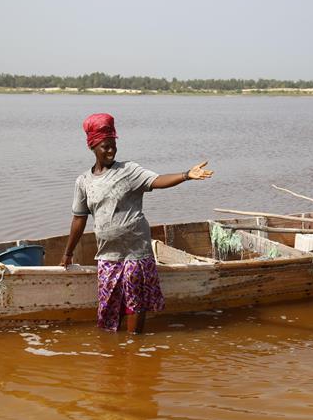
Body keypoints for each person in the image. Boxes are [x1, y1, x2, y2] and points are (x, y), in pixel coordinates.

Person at [60, 113, 213, 334]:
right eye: (105, 147)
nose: (111, 151)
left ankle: (135, 343)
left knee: (135, 303)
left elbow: (157, 180)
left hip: (135, 251)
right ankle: (118, 348)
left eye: (113, 146)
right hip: (108, 254)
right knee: (109, 306)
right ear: (92, 147)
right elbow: (79, 219)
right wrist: (68, 253)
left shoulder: (129, 171)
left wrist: (186, 175)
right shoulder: (83, 181)